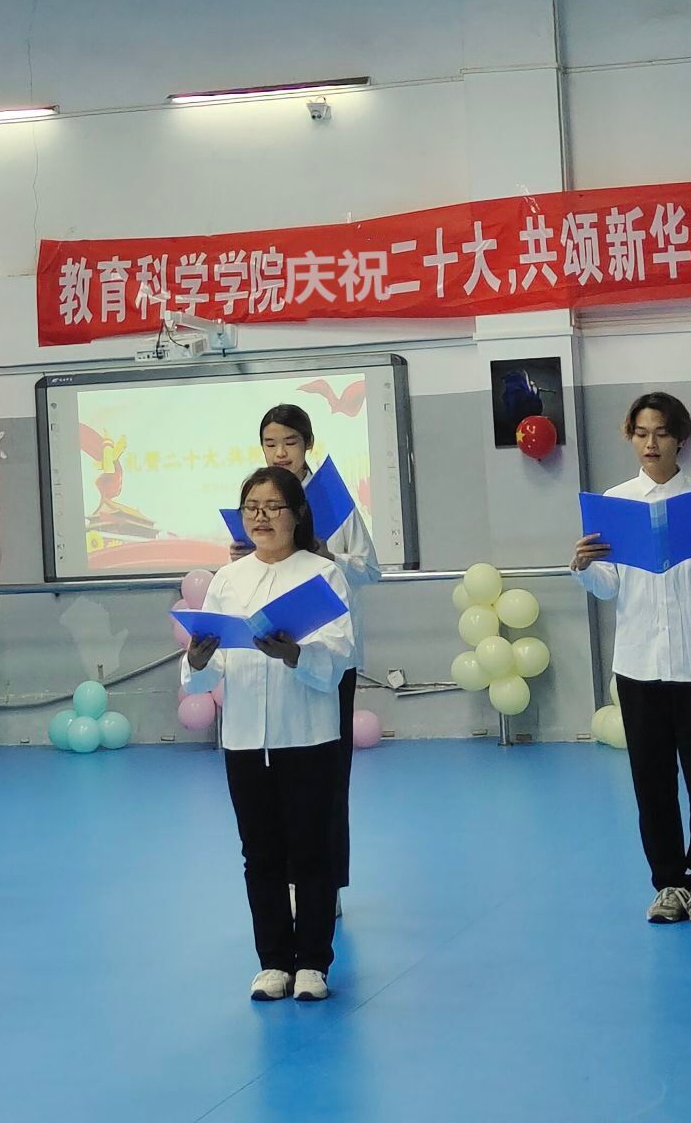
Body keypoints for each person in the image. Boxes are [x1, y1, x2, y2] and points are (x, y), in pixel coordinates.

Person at [572, 391, 691, 925]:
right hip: (639, 667)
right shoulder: (616, 502)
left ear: (680, 439)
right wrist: (583, 566)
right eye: (641, 433)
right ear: (631, 437)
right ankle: (669, 883)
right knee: (651, 786)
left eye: (662, 433)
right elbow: (609, 588)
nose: (651, 443)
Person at [182, 467, 355, 1004]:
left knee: (312, 851)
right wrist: (197, 661)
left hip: (307, 733)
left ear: (297, 514)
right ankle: (273, 961)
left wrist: (296, 654)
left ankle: (313, 963)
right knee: (260, 854)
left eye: (272, 507)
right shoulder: (228, 580)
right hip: (244, 738)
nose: (260, 517)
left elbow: (341, 653)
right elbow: (209, 661)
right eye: (251, 508)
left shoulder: (323, 575)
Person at [256, 405, 378, 915]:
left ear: (307, 443)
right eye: (270, 443)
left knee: (327, 775)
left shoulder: (331, 498)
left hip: (328, 654)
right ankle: (288, 878)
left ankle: (326, 885)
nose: (280, 452)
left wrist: (329, 557)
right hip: (272, 654)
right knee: (275, 777)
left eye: (289, 442)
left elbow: (369, 569)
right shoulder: (260, 500)